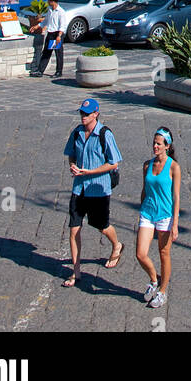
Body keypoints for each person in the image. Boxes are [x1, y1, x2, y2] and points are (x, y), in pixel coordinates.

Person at [62, 98, 123, 288]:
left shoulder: (105, 134)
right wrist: (72, 165)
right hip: (79, 188)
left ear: (96, 114)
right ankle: (76, 271)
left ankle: (117, 245)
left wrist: (90, 172)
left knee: (101, 225)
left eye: (87, 114)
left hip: (98, 189)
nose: (83, 117)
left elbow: (114, 163)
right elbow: (71, 153)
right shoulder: (77, 133)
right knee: (74, 229)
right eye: (81, 113)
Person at [135, 126, 181, 310]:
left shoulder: (174, 167)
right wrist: (140, 209)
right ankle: (154, 279)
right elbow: (144, 190)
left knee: (164, 254)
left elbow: (176, 197)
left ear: (167, 146)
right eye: (154, 143)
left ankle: (162, 291)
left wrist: (175, 224)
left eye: (158, 143)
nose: (155, 146)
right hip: (147, 213)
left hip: (165, 216)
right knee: (140, 254)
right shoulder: (147, 165)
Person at [30, 0, 69, 78]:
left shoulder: (61, 12)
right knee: (46, 52)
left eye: (49, 0)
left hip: (57, 34)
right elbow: (46, 21)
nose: (47, 2)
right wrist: (37, 26)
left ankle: (59, 72)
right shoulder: (50, 10)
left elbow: (62, 25)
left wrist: (59, 36)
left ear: (52, 1)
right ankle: (40, 71)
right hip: (51, 33)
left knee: (58, 53)